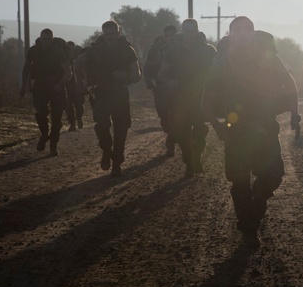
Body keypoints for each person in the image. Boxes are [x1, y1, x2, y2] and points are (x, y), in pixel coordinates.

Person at [202, 16, 301, 248]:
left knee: (273, 175)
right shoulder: (222, 64)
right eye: (237, 31)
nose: (243, 35)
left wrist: (295, 114)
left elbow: (291, 84)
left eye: (248, 30)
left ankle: (259, 197)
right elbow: (205, 103)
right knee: (239, 182)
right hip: (235, 131)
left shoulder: (269, 58)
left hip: (265, 128)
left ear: (254, 34)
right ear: (230, 35)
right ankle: (249, 228)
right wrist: (218, 129)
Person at [76, 20, 142, 176]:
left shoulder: (127, 50)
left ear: (118, 33)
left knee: (121, 128)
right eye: (106, 35)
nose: (109, 38)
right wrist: (80, 83)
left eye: (112, 34)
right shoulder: (95, 51)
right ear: (103, 35)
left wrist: (125, 74)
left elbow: (137, 75)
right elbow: (77, 62)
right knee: (102, 125)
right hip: (101, 94)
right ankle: (106, 150)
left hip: (120, 93)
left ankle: (117, 162)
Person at [158, 18, 217, 178]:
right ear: (181, 32)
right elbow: (162, 74)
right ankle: (189, 159)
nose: (189, 35)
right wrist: (170, 81)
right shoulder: (172, 51)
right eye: (186, 31)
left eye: (192, 31)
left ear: (197, 32)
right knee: (181, 132)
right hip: (179, 99)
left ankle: (196, 157)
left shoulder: (208, 51)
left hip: (201, 98)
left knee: (200, 129)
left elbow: (218, 73)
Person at [20, 28, 71, 156]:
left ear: (52, 40)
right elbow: (26, 67)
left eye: (48, 40)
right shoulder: (33, 51)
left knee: (57, 118)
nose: (46, 42)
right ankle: (44, 134)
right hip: (40, 86)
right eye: (43, 39)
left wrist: (60, 84)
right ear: (40, 39)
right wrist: (23, 85)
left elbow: (68, 72)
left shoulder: (58, 52)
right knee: (41, 113)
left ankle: (53, 144)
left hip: (56, 86)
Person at [144, 24, 178, 157]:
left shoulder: (181, 50)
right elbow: (147, 68)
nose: (169, 38)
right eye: (167, 35)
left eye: (172, 35)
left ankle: (171, 143)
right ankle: (170, 132)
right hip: (160, 89)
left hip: (177, 89)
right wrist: (148, 81)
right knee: (164, 116)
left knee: (175, 116)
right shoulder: (156, 51)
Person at [64, 40, 85, 131]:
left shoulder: (79, 57)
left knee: (79, 105)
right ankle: (72, 124)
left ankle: (79, 118)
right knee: (68, 106)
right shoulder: (63, 58)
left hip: (77, 84)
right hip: (67, 85)